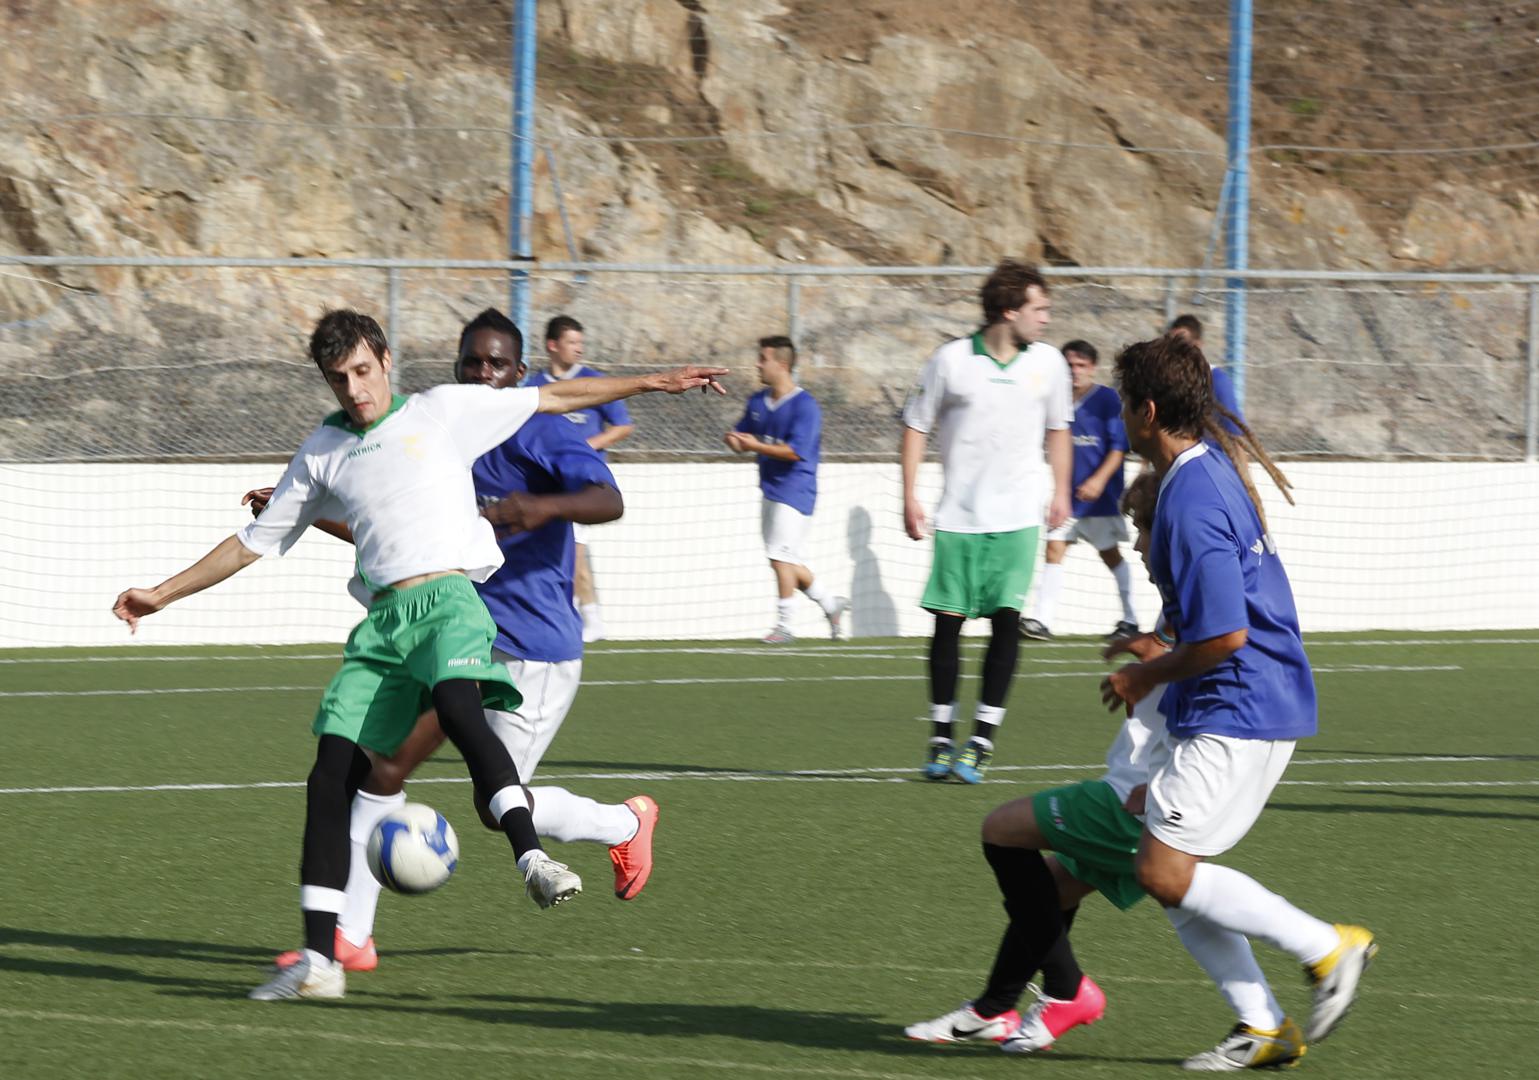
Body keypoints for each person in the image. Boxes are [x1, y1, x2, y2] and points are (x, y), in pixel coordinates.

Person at [111, 309, 725, 1002]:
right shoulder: (331, 448)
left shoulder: (457, 415)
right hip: (393, 628)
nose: (354, 389)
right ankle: (332, 951)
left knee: (479, 770)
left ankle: (574, 842)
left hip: (508, 634)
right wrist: (164, 592)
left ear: (387, 361)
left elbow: (570, 418)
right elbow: (343, 534)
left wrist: (655, 383)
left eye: (362, 371)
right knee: (353, 773)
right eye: (338, 378)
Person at [249, 308, 660, 976]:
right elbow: (399, 538)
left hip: (530, 645)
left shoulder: (539, 428)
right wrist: (304, 513)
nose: (483, 373)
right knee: (379, 770)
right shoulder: (437, 429)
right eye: (472, 362)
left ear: (519, 371)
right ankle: (351, 937)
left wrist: (541, 507)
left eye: (497, 363)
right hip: (446, 634)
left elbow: (608, 500)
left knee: (496, 807)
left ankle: (623, 824)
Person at [905, 473, 1307, 1070]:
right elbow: (1181, 648)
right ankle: (1001, 1006)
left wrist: (1148, 675)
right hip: (1143, 786)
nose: (1138, 543)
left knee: (1003, 832)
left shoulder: (1203, 592)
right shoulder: (1192, 592)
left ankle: (1316, 947)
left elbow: (1205, 660)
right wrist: (1147, 645)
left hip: (1135, 795)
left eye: (1143, 529)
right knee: (1050, 892)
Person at [1102, 333, 1375, 1052]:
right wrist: (1158, 650)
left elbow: (1225, 635)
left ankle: (1327, 947)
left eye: (1124, 404)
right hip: (1233, 702)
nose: (1120, 416)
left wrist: (1144, 674)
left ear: (1147, 412)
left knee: (1161, 868)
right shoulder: (1202, 472)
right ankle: (1261, 1026)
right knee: (1167, 861)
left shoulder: (1191, 499)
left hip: (1240, 703)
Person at [901, 260, 1072, 784]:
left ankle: (980, 741)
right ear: (1008, 311)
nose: (1046, 318)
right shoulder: (950, 360)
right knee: (946, 625)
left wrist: (1062, 490)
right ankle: (940, 737)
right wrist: (909, 495)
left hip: (1018, 518)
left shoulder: (1050, 364)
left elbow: (1059, 430)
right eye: (1038, 308)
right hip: (958, 517)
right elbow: (916, 425)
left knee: (1006, 622)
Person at [724, 335, 848, 643]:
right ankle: (830, 604)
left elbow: (795, 452)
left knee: (780, 556)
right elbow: (741, 435)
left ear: (781, 364)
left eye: (763, 359)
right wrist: (735, 440)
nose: (757, 364)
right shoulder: (757, 401)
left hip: (796, 489)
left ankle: (785, 625)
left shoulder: (805, 406)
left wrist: (754, 445)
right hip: (770, 487)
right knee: (782, 558)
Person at [1019, 340, 1137, 642]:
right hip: (1066, 499)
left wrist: (1099, 480)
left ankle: (1130, 619)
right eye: (1070, 365)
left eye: (1081, 365)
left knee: (1110, 554)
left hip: (1100, 499)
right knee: (1054, 548)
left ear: (1092, 368)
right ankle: (1042, 620)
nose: (1075, 371)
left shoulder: (1107, 400)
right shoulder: (1055, 400)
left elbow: (1119, 447)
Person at [525, 315, 634, 643]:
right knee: (564, 552)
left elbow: (623, 426)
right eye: (572, 342)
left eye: (580, 342)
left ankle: (581, 615)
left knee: (575, 551)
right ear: (552, 345)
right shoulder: (534, 386)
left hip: (582, 485)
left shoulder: (594, 382)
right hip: (544, 484)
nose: (579, 348)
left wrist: (584, 446)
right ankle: (584, 615)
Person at [1167, 313, 1243, 432]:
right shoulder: (1166, 381)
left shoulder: (1217, 380)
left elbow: (1235, 431)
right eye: (1170, 343)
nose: (1174, 350)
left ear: (1197, 345)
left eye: (1180, 343)